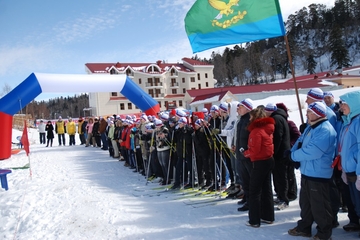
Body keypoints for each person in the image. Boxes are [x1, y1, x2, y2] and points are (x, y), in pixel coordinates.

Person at [288, 102, 336, 240]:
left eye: (309, 112)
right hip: (307, 171)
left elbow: (313, 152)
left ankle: (324, 233)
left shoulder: (325, 130)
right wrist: (291, 153)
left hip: (318, 173)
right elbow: (300, 142)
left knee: (319, 205)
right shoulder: (311, 127)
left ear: (318, 113)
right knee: (306, 203)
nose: (307, 114)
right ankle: (304, 227)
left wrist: (293, 156)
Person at [242, 107, 275, 228]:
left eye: (251, 117)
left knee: (254, 190)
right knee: (266, 189)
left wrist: (246, 153)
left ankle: (254, 220)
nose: (249, 119)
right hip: (268, 160)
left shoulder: (256, 131)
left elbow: (255, 150)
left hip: (260, 162)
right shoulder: (267, 129)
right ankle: (268, 216)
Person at [338, 91, 360, 238]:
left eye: (343, 103)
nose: (341, 107)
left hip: (357, 171)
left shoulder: (358, 122)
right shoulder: (349, 121)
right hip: (350, 170)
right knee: (354, 202)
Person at [265, 102, 291, 210]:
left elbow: (278, 137)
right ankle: (280, 195)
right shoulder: (278, 117)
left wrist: (273, 151)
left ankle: (284, 198)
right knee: (277, 176)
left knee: (281, 176)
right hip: (279, 152)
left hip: (280, 153)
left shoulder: (277, 119)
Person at [232, 98, 254, 211]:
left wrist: (245, 150)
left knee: (249, 180)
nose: (238, 109)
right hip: (240, 154)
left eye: (240, 107)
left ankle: (251, 202)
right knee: (244, 180)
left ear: (247, 108)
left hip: (247, 155)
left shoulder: (249, 120)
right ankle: (247, 198)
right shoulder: (241, 120)